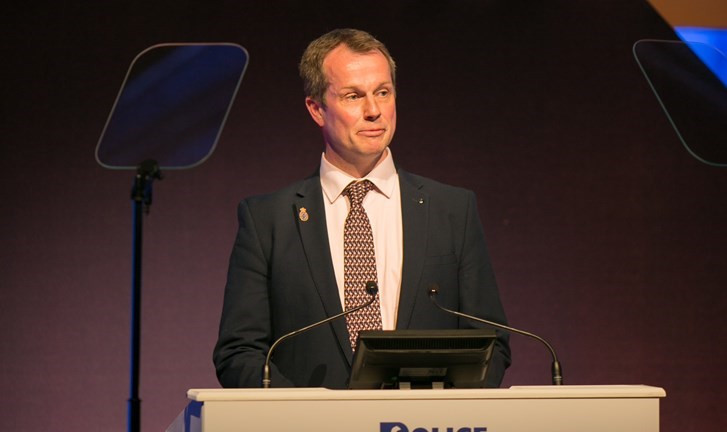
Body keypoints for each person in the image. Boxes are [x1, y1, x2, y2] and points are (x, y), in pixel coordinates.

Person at [213, 28, 511, 389]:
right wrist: (306, 413)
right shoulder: (267, 220)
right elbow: (239, 353)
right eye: (353, 96)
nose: (374, 111)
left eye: (383, 92)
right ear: (316, 109)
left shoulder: (452, 210)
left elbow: (491, 343)